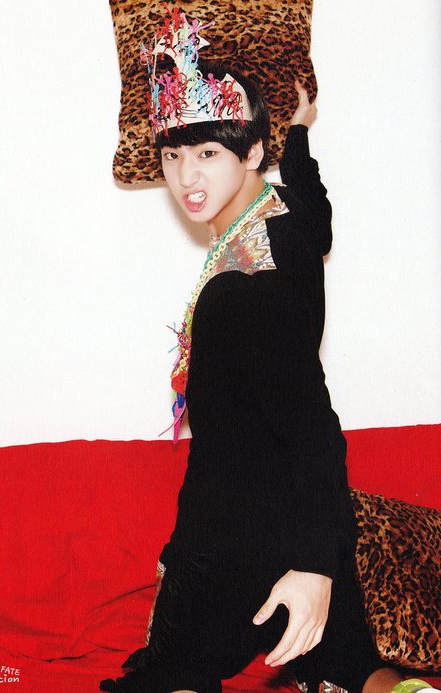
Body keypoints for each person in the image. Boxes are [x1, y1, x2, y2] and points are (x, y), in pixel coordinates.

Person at [100, 9, 432, 693]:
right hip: (304, 515)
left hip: (238, 532)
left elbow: (310, 423)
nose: (185, 177)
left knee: (167, 676)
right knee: (356, 671)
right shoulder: (286, 215)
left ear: (251, 151)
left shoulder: (244, 288)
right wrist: (300, 133)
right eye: (172, 154)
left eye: (207, 153)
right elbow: (318, 210)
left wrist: (311, 568)